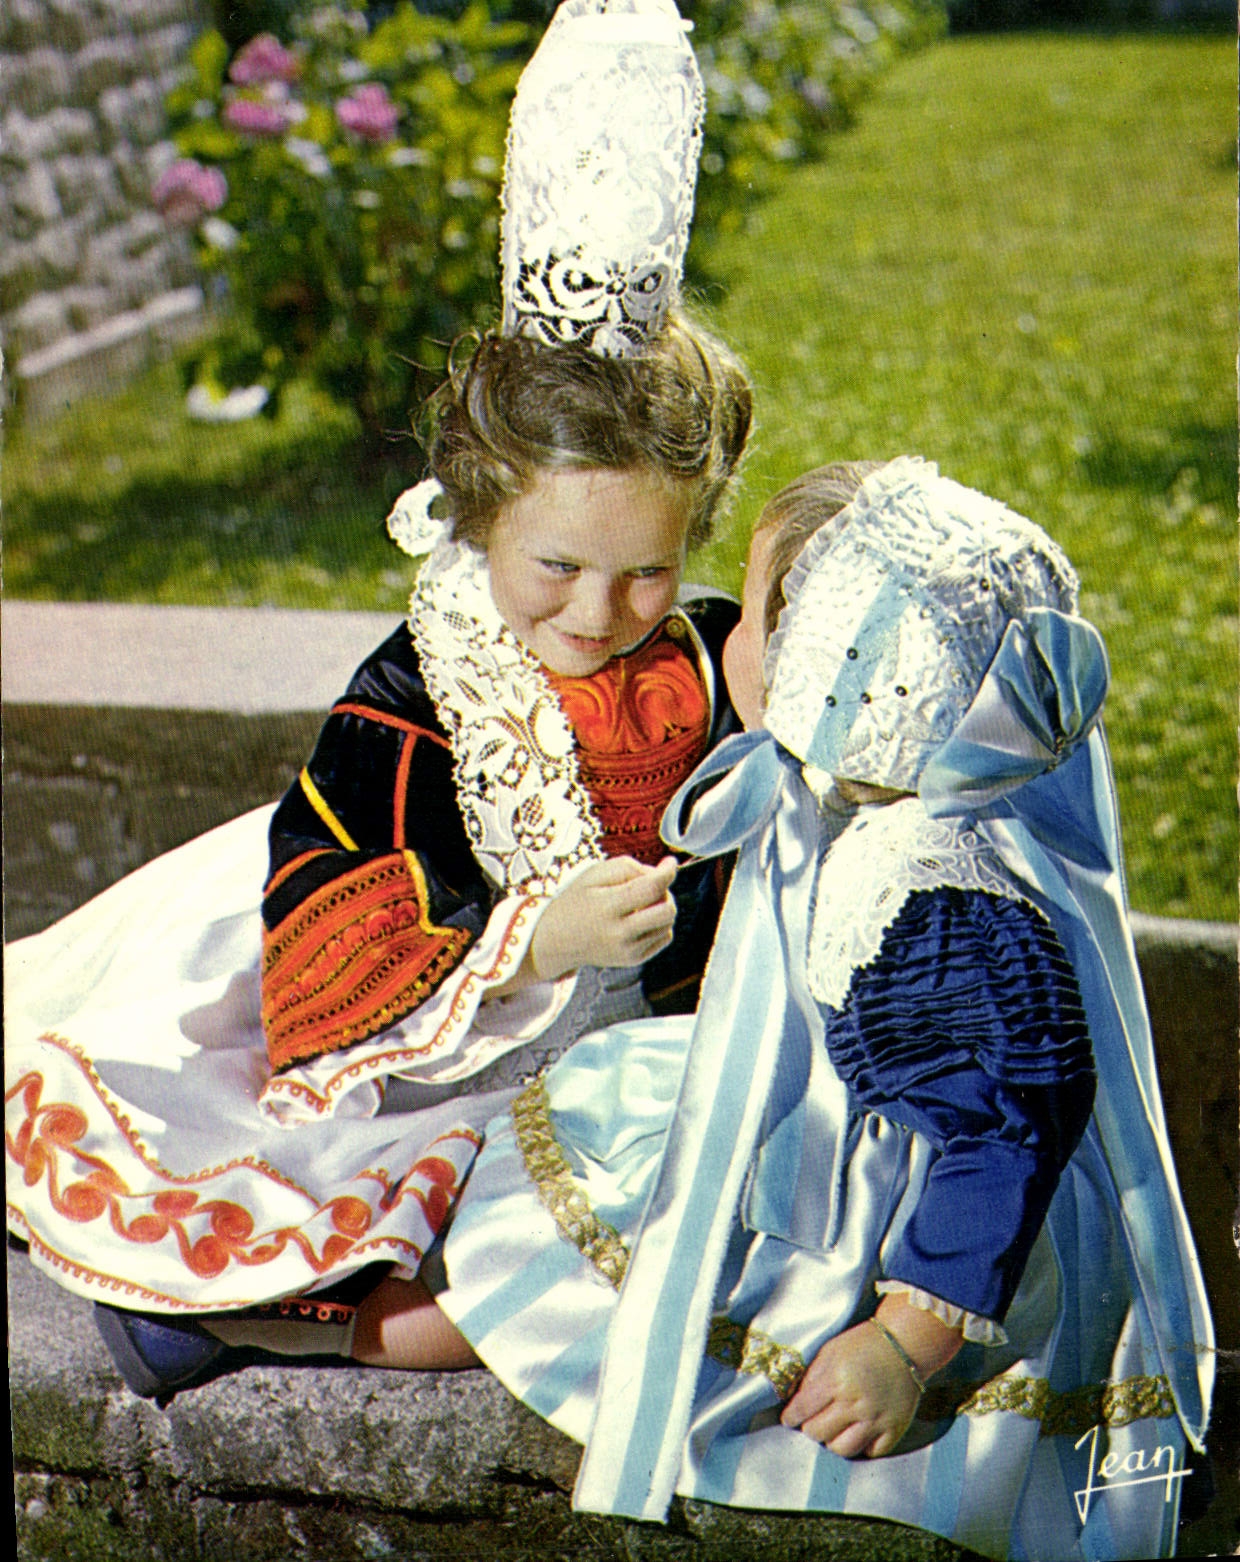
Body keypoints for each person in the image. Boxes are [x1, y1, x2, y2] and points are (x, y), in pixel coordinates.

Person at [4, 0, 752, 1391]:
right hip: (423, 1053)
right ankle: (241, 1310)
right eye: (558, 565)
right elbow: (322, 946)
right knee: (434, 1244)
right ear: (477, 518)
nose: (598, 615)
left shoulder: (694, 666)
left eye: (647, 572)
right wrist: (532, 936)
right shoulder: (420, 695)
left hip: (627, 1065)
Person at [430, 457, 1214, 1561]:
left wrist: (903, 1340)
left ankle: (310, 1317)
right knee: (551, 1159)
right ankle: (324, 1288)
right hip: (835, 1142)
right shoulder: (856, 795)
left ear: (856, 666)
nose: (731, 641)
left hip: (900, 1233)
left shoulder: (942, 899)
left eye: (752, 615)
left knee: (556, 1278)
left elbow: (1003, 1132)